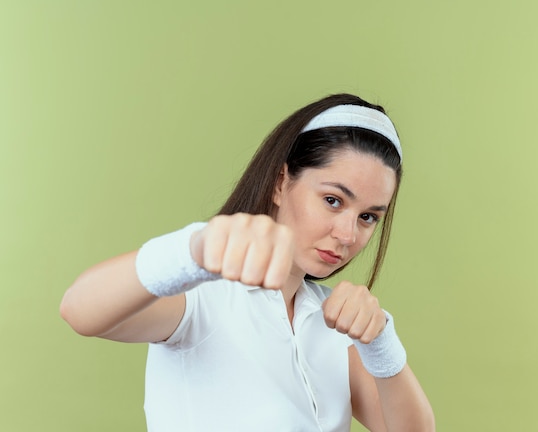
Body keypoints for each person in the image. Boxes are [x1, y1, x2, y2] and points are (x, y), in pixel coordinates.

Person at [60, 93, 435, 432]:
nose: (348, 234)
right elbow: (79, 309)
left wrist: (381, 343)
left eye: (368, 216)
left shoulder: (331, 319)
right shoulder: (202, 295)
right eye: (333, 200)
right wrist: (193, 251)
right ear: (279, 182)